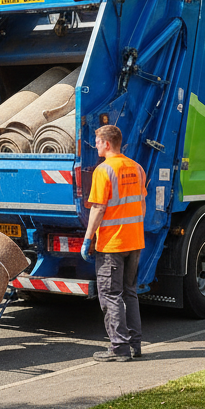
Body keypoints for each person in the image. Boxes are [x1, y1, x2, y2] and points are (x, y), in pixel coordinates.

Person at [80, 124, 146, 362]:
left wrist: (88, 238)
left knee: (110, 295)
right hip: (135, 240)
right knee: (130, 293)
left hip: (112, 244)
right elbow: (142, 204)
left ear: (107, 144)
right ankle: (135, 345)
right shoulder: (136, 167)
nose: (95, 145)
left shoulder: (104, 170)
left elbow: (98, 208)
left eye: (97, 141)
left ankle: (119, 347)